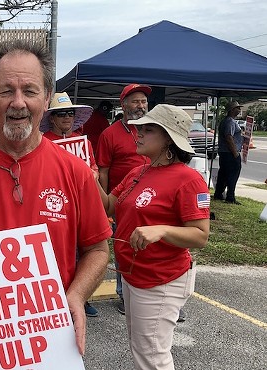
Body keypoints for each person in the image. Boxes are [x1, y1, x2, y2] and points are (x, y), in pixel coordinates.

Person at [0, 39, 111, 369]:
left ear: (45, 99)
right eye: (6, 91)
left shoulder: (75, 172)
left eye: (29, 90)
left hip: (48, 348)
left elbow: (98, 249)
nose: (18, 103)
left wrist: (76, 295)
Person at [97, 104, 210, 370]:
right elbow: (110, 206)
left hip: (161, 279)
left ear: (169, 139)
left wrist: (161, 230)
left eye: (148, 129)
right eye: (139, 128)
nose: (138, 133)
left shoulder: (188, 179)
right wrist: (89, 177)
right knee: (143, 350)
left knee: (152, 357)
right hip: (135, 274)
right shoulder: (139, 172)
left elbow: (200, 235)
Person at [41, 92, 100, 318]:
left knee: (86, 252)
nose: (67, 117)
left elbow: (94, 168)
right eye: (61, 113)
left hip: (81, 206)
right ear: (52, 118)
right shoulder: (44, 141)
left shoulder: (82, 141)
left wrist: (92, 175)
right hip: (54, 207)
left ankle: (81, 299)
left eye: (70, 113)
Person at [96, 83, 151, 315]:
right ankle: (124, 295)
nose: (140, 105)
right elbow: (103, 171)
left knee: (151, 248)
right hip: (122, 201)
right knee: (124, 248)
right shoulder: (110, 134)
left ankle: (152, 294)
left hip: (152, 201)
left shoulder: (152, 130)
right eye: (135, 101)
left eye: (143, 101)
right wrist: (105, 208)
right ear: (124, 104)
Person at [213, 101, 244, 204]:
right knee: (233, 174)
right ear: (232, 110)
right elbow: (229, 137)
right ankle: (230, 197)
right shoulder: (230, 122)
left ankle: (218, 193)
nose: (239, 110)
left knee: (223, 174)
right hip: (229, 153)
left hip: (224, 152)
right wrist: (235, 152)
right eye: (237, 108)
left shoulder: (225, 121)